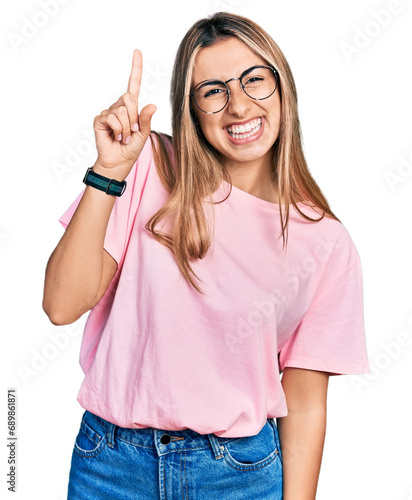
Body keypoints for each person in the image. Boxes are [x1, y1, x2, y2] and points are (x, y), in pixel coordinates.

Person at [42, 11, 370, 500]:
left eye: (255, 81)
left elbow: (304, 404)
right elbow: (61, 306)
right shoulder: (148, 165)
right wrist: (107, 172)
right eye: (214, 90)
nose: (238, 105)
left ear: (282, 89)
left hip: (237, 475)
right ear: (192, 109)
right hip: (110, 467)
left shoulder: (325, 242)